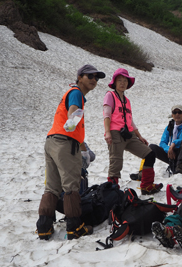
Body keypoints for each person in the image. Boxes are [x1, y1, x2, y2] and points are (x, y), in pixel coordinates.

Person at [36, 64, 105, 240]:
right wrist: (72, 120)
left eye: (96, 78)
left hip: (51, 141)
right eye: (90, 76)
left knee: (51, 186)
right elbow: (73, 112)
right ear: (80, 77)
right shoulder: (76, 93)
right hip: (65, 144)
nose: (94, 80)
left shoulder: (71, 92)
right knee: (71, 186)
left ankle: (44, 227)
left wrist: (84, 148)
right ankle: (75, 227)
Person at [103, 68, 162, 195]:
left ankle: (146, 186)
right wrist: (107, 132)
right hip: (115, 134)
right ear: (114, 82)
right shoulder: (110, 95)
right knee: (116, 164)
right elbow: (106, 115)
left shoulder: (127, 100)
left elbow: (130, 120)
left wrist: (139, 136)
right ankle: (113, 193)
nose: (122, 83)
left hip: (128, 135)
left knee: (149, 154)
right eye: (120, 80)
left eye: (125, 81)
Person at [149, 105, 182, 174]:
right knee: (152, 147)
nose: (177, 114)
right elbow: (162, 143)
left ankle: (180, 166)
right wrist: (169, 149)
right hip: (172, 154)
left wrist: (174, 143)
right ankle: (145, 170)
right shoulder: (169, 127)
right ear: (172, 115)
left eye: (179, 112)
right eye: (175, 112)